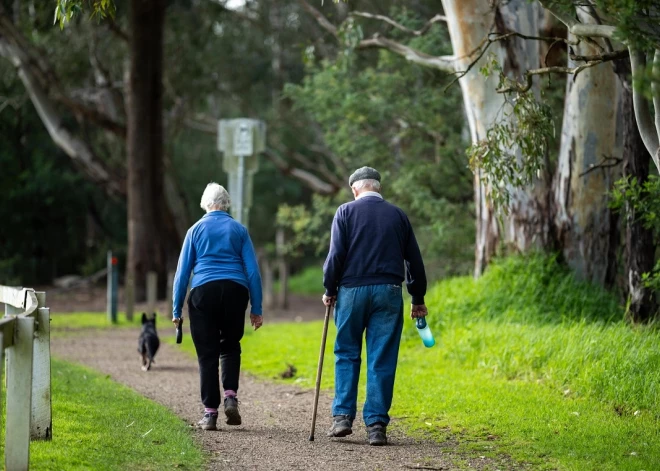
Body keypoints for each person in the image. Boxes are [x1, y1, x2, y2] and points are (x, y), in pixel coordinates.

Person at [322, 166, 428, 446]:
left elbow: (335, 256)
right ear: (378, 187)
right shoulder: (398, 215)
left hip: (351, 291)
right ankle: (377, 425)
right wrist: (417, 298)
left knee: (346, 352)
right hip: (389, 291)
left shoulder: (345, 212)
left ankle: (343, 417)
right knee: (382, 356)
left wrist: (329, 288)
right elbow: (414, 262)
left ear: (355, 189)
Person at [172, 182, 263, 431]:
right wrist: (257, 308)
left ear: (206, 204)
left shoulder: (195, 230)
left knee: (207, 354)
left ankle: (210, 413)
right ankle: (231, 396)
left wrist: (176, 310)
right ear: (226, 204)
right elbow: (253, 272)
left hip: (204, 292)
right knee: (231, 346)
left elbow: (182, 274)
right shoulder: (239, 230)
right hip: (236, 291)